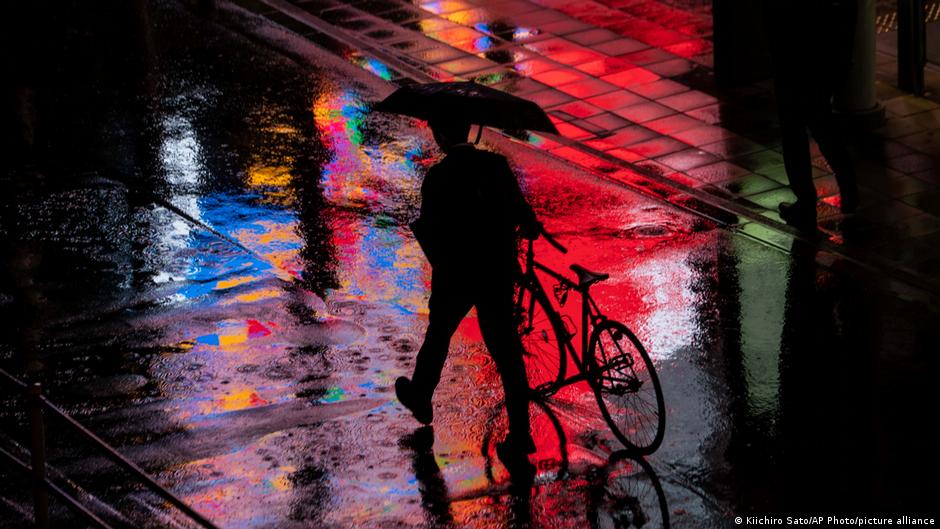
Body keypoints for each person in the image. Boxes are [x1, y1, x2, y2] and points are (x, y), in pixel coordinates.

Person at [395, 118, 541, 477]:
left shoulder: (438, 178)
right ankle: (521, 434)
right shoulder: (496, 166)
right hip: (496, 271)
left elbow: (432, 229)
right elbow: (523, 211)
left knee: (440, 332)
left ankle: (421, 395)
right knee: (507, 353)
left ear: (442, 136)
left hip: (457, 275)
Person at [767, 0, 859, 229]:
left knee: (794, 129)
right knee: (821, 121)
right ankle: (848, 187)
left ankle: (806, 203)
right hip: (825, 53)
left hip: (795, 52)